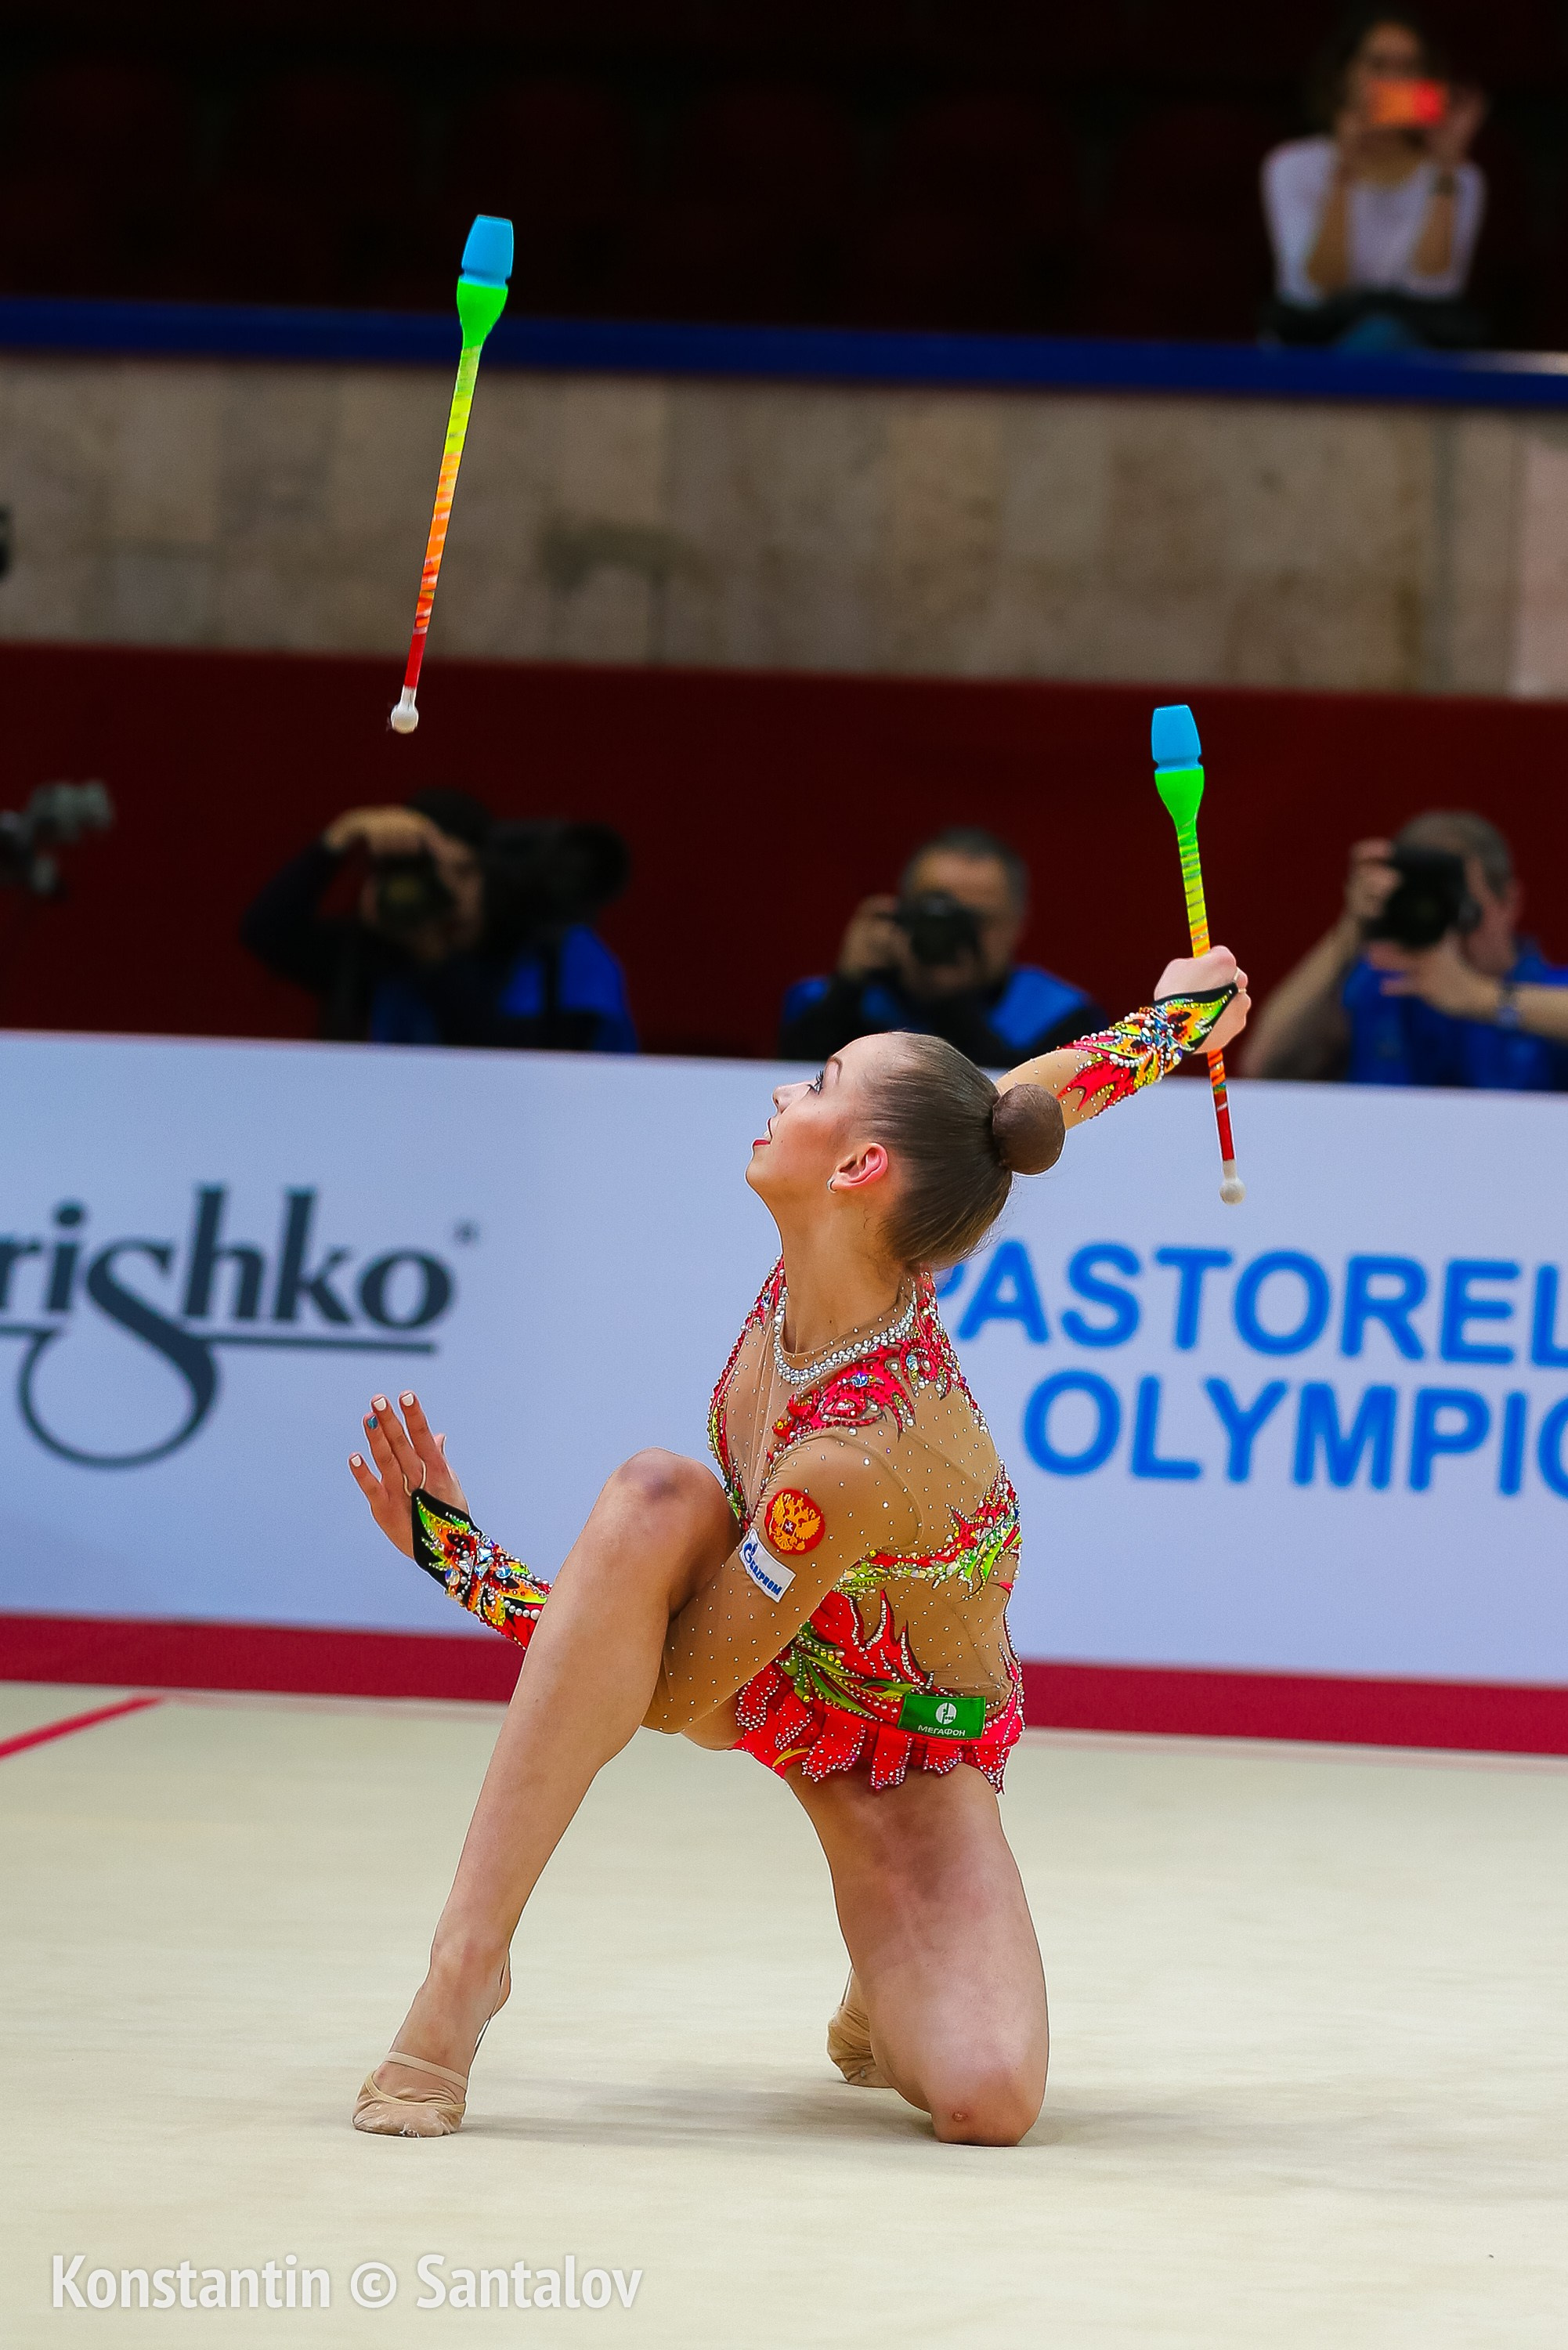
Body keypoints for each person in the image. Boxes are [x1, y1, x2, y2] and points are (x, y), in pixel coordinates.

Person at [343, 943, 1250, 2147]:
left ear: (859, 1167)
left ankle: (885, 1980)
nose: (783, 1091)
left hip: (901, 1749)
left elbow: (670, 1691)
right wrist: (1172, 1024)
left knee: (985, 2101)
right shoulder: (877, 1241)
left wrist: (464, 1566)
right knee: (655, 1494)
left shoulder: (856, 1453)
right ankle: (465, 1968)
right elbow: (1020, 1111)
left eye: (817, 1084)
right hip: (775, 1629)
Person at [240, 788, 637, 1053]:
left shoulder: (559, 955)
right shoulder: (379, 952)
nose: (449, 894)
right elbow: (267, 931)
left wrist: (433, 957)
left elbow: (510, 1072)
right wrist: (340, 837)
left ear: (493, 873)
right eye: (429, 877)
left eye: (463, 872)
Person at [1241, 811, 1568, 1089]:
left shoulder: (1548, 990)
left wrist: (1479, 996)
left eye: (1462, 911)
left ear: (1509, 901)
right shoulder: (1379, 986)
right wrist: (1351, 931)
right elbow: (1262, 1065)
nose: (1450, 932)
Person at [779, 826, 1107, 1068]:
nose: (953, 935)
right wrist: (846, 988)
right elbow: (787, 1087)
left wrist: (952, 1004)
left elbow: (1025, 1112)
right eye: (934, 913)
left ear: (1018, 924)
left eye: (975, 921)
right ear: (901, 910)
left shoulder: (1061, 1016)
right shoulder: (826, 1002)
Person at [1260, 14, 1487, 351]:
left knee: (1384, 335)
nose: (1393, 80)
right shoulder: (1292, 165)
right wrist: (1344, 171)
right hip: (1318, 346)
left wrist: (1445, 170)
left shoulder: (1460, 177)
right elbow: (1317, 285)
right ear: (1343, 77)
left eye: (1408, 67)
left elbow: (1434, 285)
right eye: (1378, 65)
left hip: (1410, 350)